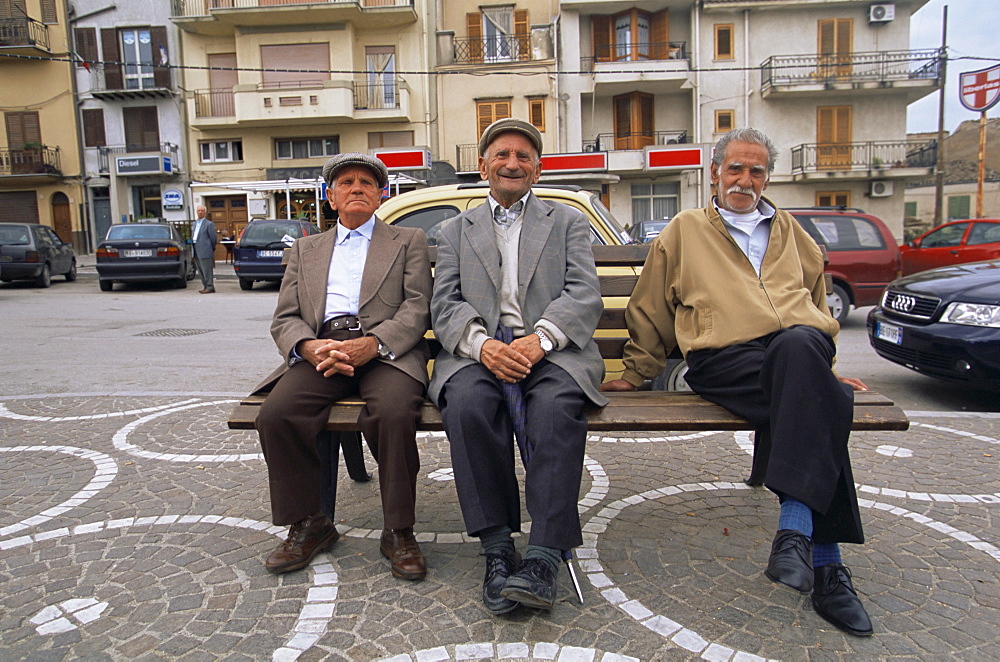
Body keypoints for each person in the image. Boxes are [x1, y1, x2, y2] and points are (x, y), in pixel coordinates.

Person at [601, 127, 874, 637]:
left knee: (802, 353)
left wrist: (824, 368)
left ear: (767, 178)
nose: (745, 180)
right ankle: (826, 562)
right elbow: (651, 306)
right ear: (715, 174)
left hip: (795, 353)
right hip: (725, 360)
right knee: (822, 398)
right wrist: (636, 374)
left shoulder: (792, 232)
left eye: (756, 171)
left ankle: (799, 538)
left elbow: (814, 301)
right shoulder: (684, 230)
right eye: (735, 169)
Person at [429, 118, 606, 613]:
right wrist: (483, 345)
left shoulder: (566, 221)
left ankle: (545, 557)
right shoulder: (454, 230)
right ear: (483, 166)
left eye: (524, 156)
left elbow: (584, 294)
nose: (513, 163)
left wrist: (541, 339)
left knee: (554, 407)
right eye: (502, 154)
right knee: (466, 405)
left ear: (537, 167)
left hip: (551, 348)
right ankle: (498, 550)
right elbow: (444, 305)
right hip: (478, 350)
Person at [253, 153, 432, 580]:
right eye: (346, 183)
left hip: (386, 352)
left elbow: (418, 306)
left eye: (366, 183)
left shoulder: (407, 240)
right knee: (277, 415)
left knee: (392, 411)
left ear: (381, 194)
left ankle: (398, 529)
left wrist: (375, 343)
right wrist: (309, 347)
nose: (356, 188)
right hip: (323, 351)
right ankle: (310, 523)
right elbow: (285, 316)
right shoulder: (305, 249)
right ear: (331, 197)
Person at [191, 205, 217, 293]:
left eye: (202, 211)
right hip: (195, 248)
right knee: (200, 269)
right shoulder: (194, 223)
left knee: (207, 269)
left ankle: (210, 286)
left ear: (205, 212)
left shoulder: (209, 224)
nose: (200, 212)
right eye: (199, 211)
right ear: (196, 212)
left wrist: (210, 247)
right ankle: (205, 286)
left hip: (205, 249)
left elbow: (213, 238)